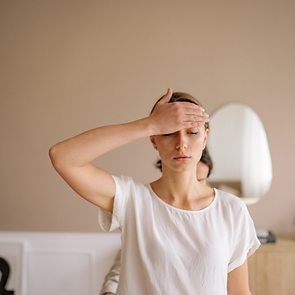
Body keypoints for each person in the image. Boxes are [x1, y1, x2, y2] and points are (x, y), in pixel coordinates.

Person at [49, 89, 260, 294]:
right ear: (153, 140)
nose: (181, 144)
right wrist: (149, 124)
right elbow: (62, 157)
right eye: (169, 133)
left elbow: (239, 292)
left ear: (204, 138)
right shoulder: (132, 200)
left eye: (192, 133)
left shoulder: (231, 209)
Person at [100, 148, 213, 295]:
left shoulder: (222, 214)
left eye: (199, 180)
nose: (190, 185)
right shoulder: (142, 208)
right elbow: (118, 273)